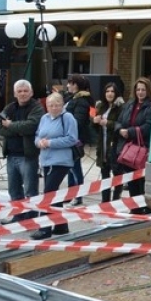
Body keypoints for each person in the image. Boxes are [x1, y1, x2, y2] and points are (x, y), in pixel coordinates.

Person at [31, 92, 77, 239]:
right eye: (50, 105)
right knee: (54, 194)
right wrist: (39, 142)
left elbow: (72, 139)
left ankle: (44, 228)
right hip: (45, 160)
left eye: (57, 104)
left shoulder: (68, 118)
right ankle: (61, 225)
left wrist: (50, 143)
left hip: (61, 161)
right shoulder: (44, 118)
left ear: (62, 105)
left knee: (48, 193)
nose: (54, 108)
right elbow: (38, 134)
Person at [0, 79, 44, 222]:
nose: (22, 94)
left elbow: (31, 126)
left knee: (30, 189)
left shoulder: (37, 108)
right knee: (14, 189)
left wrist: (11, 125)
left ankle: (31, 217)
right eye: (19, 91)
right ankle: (18, 214)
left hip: (28, 156)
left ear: (31, 93)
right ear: (14, 93)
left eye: (25, 91)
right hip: (11, 155)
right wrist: (18, 129)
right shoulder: (10, 107)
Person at [114, 77, 151, 213]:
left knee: (143, 181)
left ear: (148, 90)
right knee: (131, 180)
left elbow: (149, 126)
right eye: (138, 89)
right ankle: (135, 208)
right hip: (127, 148)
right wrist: (120, 130)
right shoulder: (129, 104)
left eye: (143, 90)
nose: (140, 92)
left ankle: (147, 207)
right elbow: (119, 121)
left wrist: (131, 132)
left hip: (143, 148)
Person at [63, 74, 93, 206]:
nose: (68, 85)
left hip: (75, 138)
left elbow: (78, 121)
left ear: (76, 85)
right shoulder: (71, 98)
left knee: (75, 166)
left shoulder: (81, 101)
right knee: (70, 166)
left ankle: (78, 195)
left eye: (70, 83)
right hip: (68, 137)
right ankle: (71, 193)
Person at [93, 82, 124, 203]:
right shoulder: (101, 106)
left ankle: (116, 201)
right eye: (107, 91)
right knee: (104, 175)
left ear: (116, 93)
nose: (110, 94)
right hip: (103, 146)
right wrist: (94, 121)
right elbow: (95, 129)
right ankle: (105, 202)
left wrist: (108, 123)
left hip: (115, 146)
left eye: (112, 91)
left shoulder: (121, 107)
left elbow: (121, 125)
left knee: (117, 176)